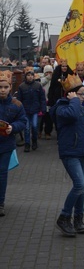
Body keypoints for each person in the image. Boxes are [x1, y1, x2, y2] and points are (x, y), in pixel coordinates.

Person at [50, 74, 84, 237]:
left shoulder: (81, 106)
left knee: (82, 188)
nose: (83, 96)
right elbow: (71, 114)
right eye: (81, 94)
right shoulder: (62, 107)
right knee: (79, 185)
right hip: (69, 152)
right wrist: (75, 101)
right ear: (71, 94)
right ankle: (64, 218)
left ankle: (78, 219)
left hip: (82, 151)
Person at [0, 70, 26, 216]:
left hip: (6, 145)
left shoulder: (17, 104)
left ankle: (0, 203)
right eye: (0, 87)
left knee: (2, 174)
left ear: (10, 87)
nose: (2, 90)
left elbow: (23, 121)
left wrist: (13, 127)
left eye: (5, 87)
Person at [17, 67, 46, 152]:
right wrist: (19, 110)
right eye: (28, 75)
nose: (30, 77)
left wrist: (43, 108)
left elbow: (42, 98)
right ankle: (27, 144)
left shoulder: (38, 85)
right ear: (25, 76)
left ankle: (34, 141)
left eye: (31, 75)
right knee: (26, 128)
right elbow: (19, 99)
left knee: (34, 126)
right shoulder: (22, 86)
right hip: (25, 110)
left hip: (35, 110)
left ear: (33, 76)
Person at [38, 64, 54, 140]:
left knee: (49, 119)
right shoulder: (41, 78)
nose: (48, 74)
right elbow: (40, 84)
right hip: (42, 102)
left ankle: (48, 132)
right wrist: (47, 78)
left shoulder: (53, 80)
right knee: (41, 120)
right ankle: (39, 131)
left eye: (50, 72)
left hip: (49, 101)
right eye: (47, 72)